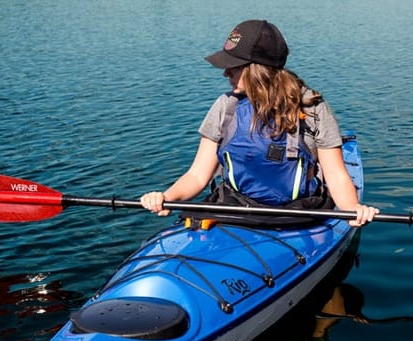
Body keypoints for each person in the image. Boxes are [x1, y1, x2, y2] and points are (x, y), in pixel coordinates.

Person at [140, 20, 378, 227]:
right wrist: (166, 196)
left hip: (300, 214)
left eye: (232, 66)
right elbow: (198, 175)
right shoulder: (226, 107)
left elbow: (335, 175)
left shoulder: (311, 107)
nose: (225, 73)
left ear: (257, 70)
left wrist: (352, 209)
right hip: (234, 210)